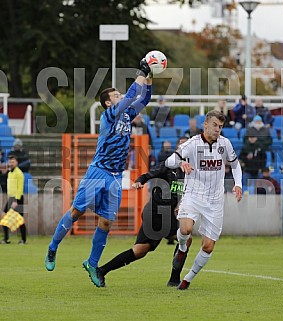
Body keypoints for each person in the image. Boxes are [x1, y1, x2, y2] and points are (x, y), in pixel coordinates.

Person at [44, 58, 153, 288]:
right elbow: (134, 92)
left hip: (115, 176)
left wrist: (150, 75)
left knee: (106, 223)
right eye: (115, 95)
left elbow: (144, 97)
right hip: (98, 171)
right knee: (76, 211)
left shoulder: (127, 115)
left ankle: (92, 264)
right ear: (107, 103)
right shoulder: (109, 115)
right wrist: (140, 72)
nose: (120, 95)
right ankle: (53, 247)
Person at [97, 137, 191, 288]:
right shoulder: (169, 166)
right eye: (182, 148)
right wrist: (140, 181)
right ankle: (174, 279)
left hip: (166, 214)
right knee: (186, 238)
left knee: (140, 250)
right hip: (156, 211)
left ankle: (102, 270)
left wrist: (181, 204)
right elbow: (148, 175)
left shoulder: (193, 172)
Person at [165, 110, 242, 290]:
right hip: (193, 195)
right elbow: (169, 161)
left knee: (208, 246)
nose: (218, 129)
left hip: (215, 201)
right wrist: (181, 162)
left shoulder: (225, 144)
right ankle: (182, 247)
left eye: (221, 127)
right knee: (185, 229)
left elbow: (236, 165)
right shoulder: (192, 144)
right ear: (205, 125)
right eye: (215, 125)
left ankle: (187, 279)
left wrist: (238, 184)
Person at [0, 155, 26, 244]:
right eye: (10, 162)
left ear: (16, 162)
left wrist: (16, 201)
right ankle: (6, 239)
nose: (11, 163)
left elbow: (20, 188)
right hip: (11, 198)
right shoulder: (10, 172)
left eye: (13, 161)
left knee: (20, 219)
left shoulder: (19, 173)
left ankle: (23, 239)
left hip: (17, 199)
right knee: (4, 216)